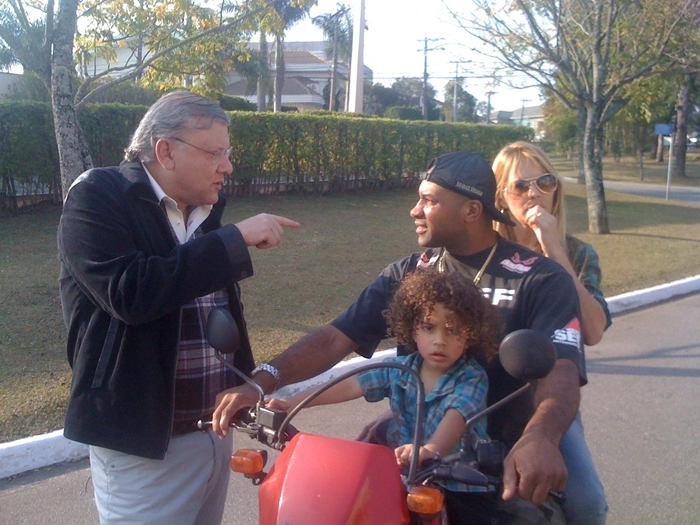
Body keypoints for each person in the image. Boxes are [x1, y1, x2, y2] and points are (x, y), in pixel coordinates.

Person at [213, 151, 584, 523]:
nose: (415, 210)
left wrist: (541, 437)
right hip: (405, 458)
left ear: (472, 211)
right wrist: (262, 385)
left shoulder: (540, 278)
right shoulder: (408, 275)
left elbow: (562, 370)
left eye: (429, 200)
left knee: (573, 508)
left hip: (500, 462)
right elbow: (334, 338)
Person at [57, 91, 299, 525]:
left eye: (228, 154)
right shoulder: (97, 195)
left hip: (213, 430)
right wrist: (231, 241)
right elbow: (131, 293)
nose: (227, 166)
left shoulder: (205, 209)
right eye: (215, 153)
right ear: (165, 151)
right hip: (144, 443)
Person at [268, 270, 502, 525]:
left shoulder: (471, 378)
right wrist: (295, 402)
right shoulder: (400, 369)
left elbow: (456, 418)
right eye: (429, 327)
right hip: (403, 479)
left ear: (470, 334)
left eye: (452, 330)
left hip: (459, 485)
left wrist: (430, 449)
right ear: (413, 329)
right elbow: (352, 384)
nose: (439, 341)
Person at [492, 141, 611, 525]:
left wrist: (553, 249)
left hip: (549, 400)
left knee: (586, 503)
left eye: (545, 181)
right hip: (484, 393)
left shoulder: (577, 254)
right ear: (499, 197)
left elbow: (593, 331)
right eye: (520, 186)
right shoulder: (486, 253)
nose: (535, 193)